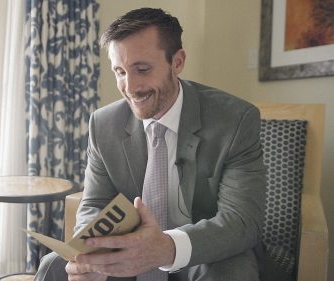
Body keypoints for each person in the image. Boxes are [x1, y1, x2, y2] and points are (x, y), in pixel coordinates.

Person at [35, 7, 267, 281]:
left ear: (177, 62)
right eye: (120, 72)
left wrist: (166, 249)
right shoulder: (103, 124)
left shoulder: (235, 120)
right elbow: (95, 203)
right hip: (129, 250)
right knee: (53, 266)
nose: (130, 87)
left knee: (231, 273)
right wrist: (91, 255)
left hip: (203, 253)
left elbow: (241, 221)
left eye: (142, 69)